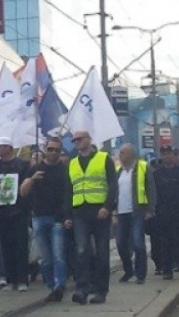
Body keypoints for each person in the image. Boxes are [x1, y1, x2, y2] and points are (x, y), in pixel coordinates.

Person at [64, 131, 116, 305]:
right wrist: (68, 215)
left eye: (80, 139)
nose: (76, 142)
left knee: (102, 253)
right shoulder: (72, 163)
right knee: (81, 251)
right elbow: (69, 190)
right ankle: (82, 289)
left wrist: (107, 207)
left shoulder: (104, 158)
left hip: (100, 212)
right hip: (80, 212)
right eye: (74, 140)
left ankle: (101, 290)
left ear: (89, 139)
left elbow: (112, 185)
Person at [20, 136, 69, 302]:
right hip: (39, 217)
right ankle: (51, 286)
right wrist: (32, 179)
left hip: (57, 218)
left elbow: (69, 194)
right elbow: (22, 192)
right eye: (50, 149)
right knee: (46, 259)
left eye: (57, 150)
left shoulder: (65, 170)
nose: (53, 153)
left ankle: (59, 286)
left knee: (58, 255)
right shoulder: (36, 168)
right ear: (45, 150)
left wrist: (67, 215)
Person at [0, 135, 31, 292]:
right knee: (6, 246)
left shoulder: (22, 166)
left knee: (20, 246)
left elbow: (27, 189)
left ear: (8, 148)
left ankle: (22, 279)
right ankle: (11, 279)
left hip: (18, 212)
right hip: (1, 213)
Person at [114, 144, 156, 284]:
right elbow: (113, 192)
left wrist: (150, 209)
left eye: (122, 153)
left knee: (138, 243)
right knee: (120, 243)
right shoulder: (118, 171)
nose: (120, 155)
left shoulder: (142, 167)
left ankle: (140, 274)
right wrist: (113, 212)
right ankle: (128, 270)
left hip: (137, 212)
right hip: (121, 213)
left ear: (131, 154)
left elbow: (151, 189)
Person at [153, 145, 179, 279]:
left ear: (173, 155)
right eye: (164, 154)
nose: (167, 156)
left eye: (169, 153)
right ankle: (167, 270)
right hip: (165, 212)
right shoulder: (157, 174)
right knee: (166, 241)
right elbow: (153, 193)